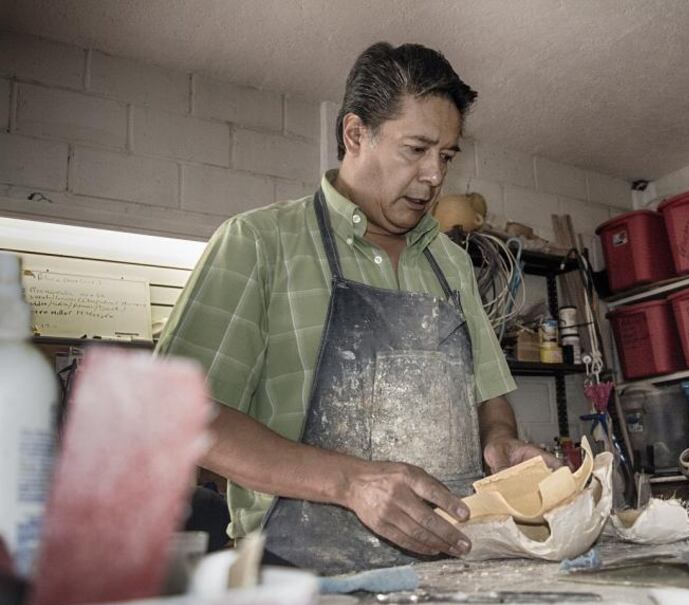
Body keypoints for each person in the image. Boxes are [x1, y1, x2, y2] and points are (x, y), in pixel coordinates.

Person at [156, 42, 556, 574]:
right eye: (416, 149)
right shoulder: (259, 242)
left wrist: (501, 443)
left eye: (447, 156)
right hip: (295, 573)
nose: (436, 176)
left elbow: (491, 397)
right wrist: (350, 482)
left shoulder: (451, 265)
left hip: (452, 564)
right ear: (354, 134)